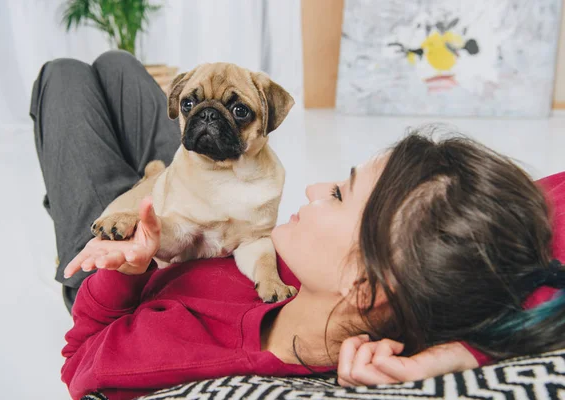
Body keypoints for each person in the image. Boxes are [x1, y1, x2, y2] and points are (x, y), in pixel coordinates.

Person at [30, 51, 565, 400]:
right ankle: (151, 169)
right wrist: (460, 352)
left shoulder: (191, 349)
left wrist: (122, 271)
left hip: (121, 259)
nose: (314, 188)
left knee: (64, 75)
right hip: (187, 184)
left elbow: (79, 360)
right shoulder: (405, 266)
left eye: (338, 193)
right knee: (118, 64)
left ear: (364, 283)